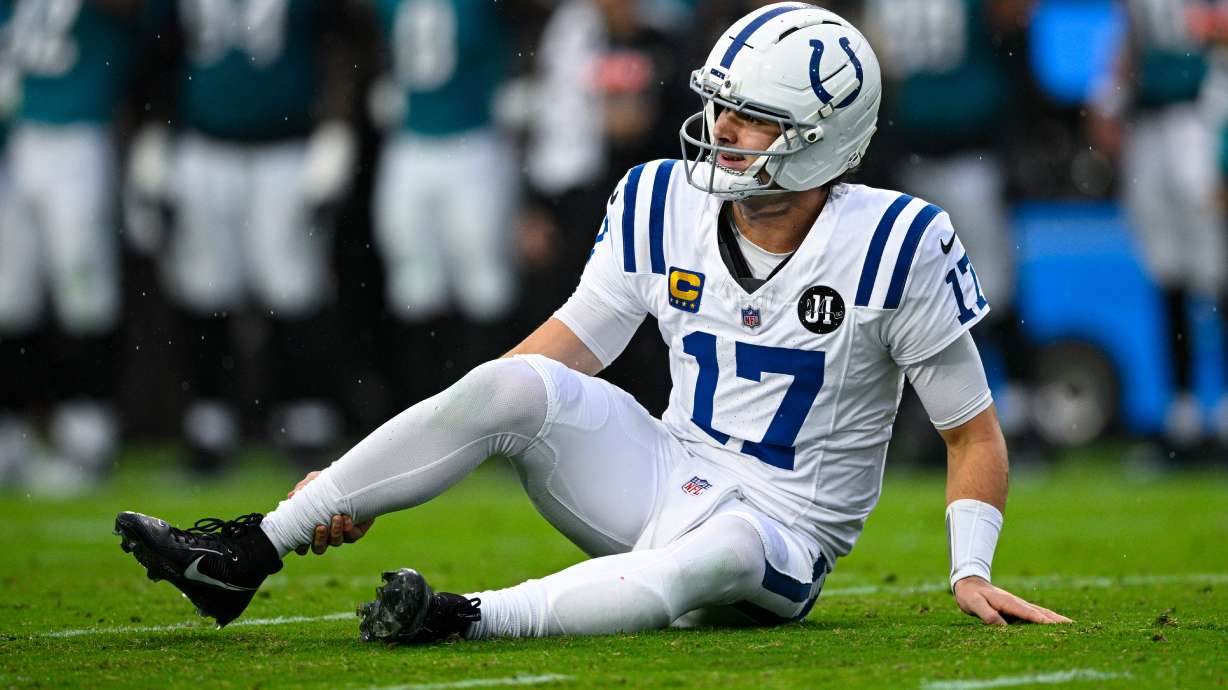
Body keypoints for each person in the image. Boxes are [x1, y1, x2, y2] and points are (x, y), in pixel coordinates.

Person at [115, 3, 1070, 640]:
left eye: (749, 118)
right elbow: (559, 355)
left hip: (782, 534)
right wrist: (359, 485)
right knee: (510, 381)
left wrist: (968, 570)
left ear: (823, 139)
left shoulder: (899, 240)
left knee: (726, 552)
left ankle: (467, 618)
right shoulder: (660, 200)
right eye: (719, 108)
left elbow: (970, 430)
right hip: (664, 465)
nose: (720, 131)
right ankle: (248, 550)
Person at [125, 0, 368, 471]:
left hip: (287, 146)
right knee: (203, 285)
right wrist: (153, 135)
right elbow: (157, 54)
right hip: (204, 144)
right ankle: (209, 420)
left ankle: (304, 416)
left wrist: (336, 129)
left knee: (294, 286)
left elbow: (341, 47)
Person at [0, 0, 144, 493]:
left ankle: (87, 433)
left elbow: (137, 22)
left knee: (83, 290)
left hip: (79, 135)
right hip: (18, 139)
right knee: (10, 297)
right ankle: (11, 434)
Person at [1088, 0, 1226, 458]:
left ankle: (1219, 410)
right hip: (1152, 125)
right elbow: (1127, 40)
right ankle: (1183, 413)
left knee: (1216, 271)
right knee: (1169, 274)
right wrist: (1110, 97)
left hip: (1202, 117)